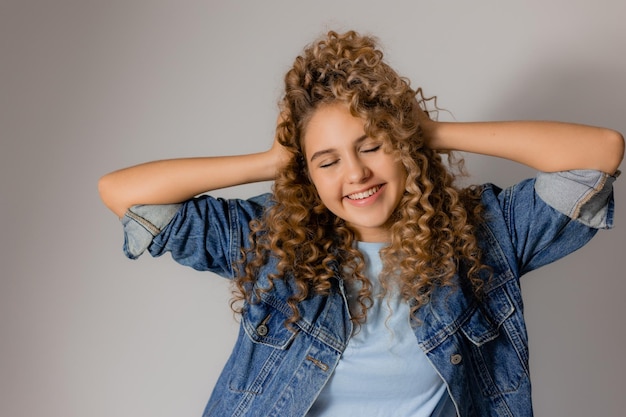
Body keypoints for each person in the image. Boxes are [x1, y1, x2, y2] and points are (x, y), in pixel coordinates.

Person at [98, 30, 623, 417]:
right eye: (327, 161)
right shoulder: (273, 238)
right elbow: (122, 193)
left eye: (372, 146)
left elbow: (598, 155)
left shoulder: (481, 235)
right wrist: (270, 162)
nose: (356, 174)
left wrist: (428, 130)